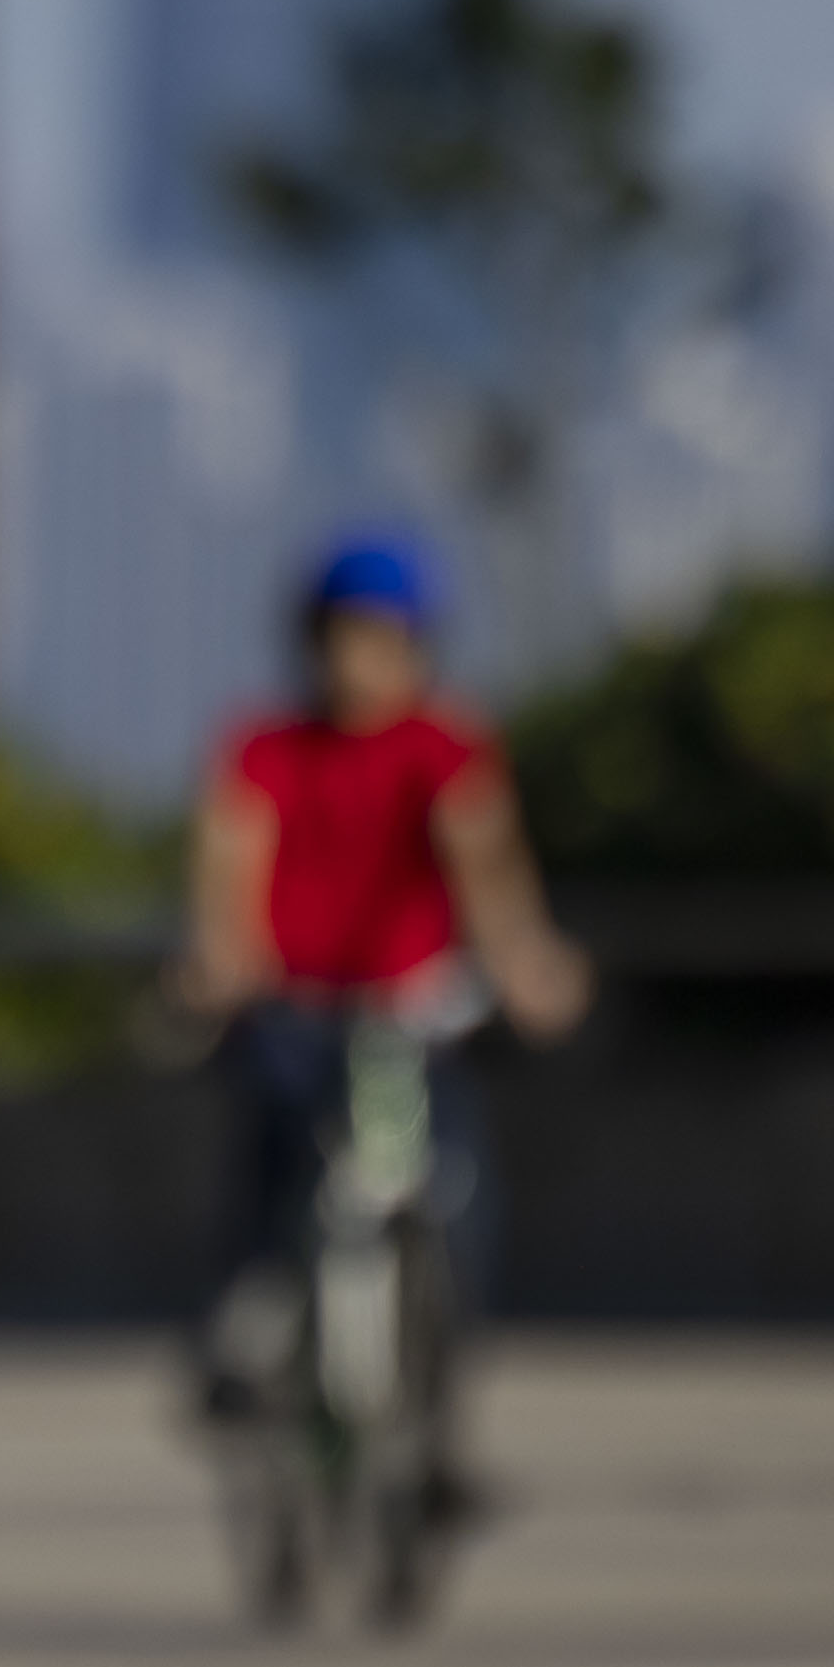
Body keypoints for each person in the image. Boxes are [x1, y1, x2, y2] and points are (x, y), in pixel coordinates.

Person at [177, 536, 589, 1328]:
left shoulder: (445, 745)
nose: (359, 661)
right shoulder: (264, 748)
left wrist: (523, 961)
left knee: (453, 1189)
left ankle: (435, 1392)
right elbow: (232, 859)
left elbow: (486, 865)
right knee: (278, 1160)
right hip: (296, 1004)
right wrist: (221, 958)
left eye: (381, 639)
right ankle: (249, 1316)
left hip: (409, 1011)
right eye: (342, 637)